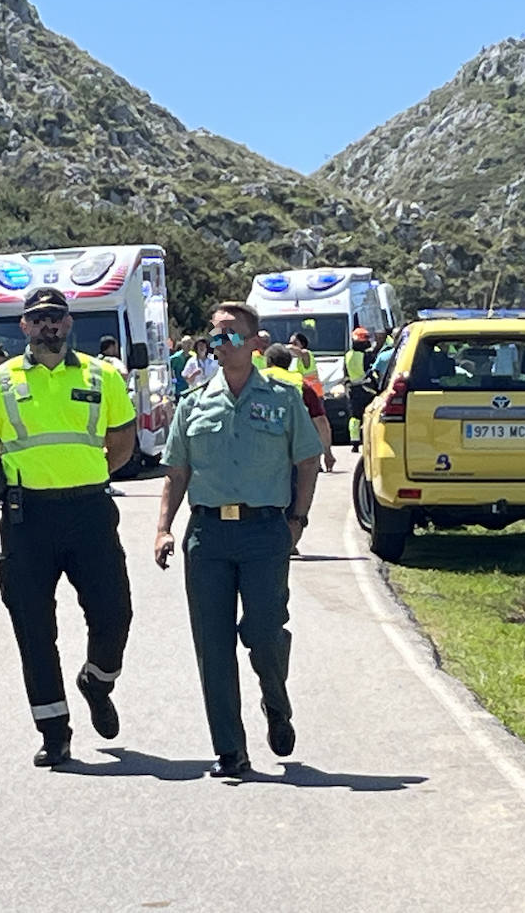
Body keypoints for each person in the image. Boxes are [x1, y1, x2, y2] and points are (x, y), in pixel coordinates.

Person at [0, 287, 137, 768]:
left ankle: (96, 682)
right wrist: (8, 482)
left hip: (89, 512)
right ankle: (54, 733)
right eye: (39, 319)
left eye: (57, 318)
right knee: (35, 631)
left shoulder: (102, 376)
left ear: (68, 323)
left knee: (115, 614)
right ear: (23, 326)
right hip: (28, 519)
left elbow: (121, 443)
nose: (49, 327)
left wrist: (91, 474)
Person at [154, 302, 323, 778]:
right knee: (212, 643)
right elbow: (176, 471)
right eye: (216, 334)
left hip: (264, 530)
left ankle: (275, 698)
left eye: (230, 335)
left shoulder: (284, 398)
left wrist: (299, 519)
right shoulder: (194, 402)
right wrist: (164, 528)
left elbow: (307, 460)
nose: (219, 342)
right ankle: (230, 749)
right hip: (207, 534)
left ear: (254, 344)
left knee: (264, 634)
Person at [265, 344, 335, 475]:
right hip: (293, 450)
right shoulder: (301, 384)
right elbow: (320, 421)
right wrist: (327, 453)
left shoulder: (254, 380)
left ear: (268, 362)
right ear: (289, 363)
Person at [288, 332, 323, 397]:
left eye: (295, 343)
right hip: (303, 394)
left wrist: (288, 347)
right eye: (290, 343)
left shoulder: (306, 353)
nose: (292, 345)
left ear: (302, 344)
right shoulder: (294, 360)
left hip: (315, 394)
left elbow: (301, 353)